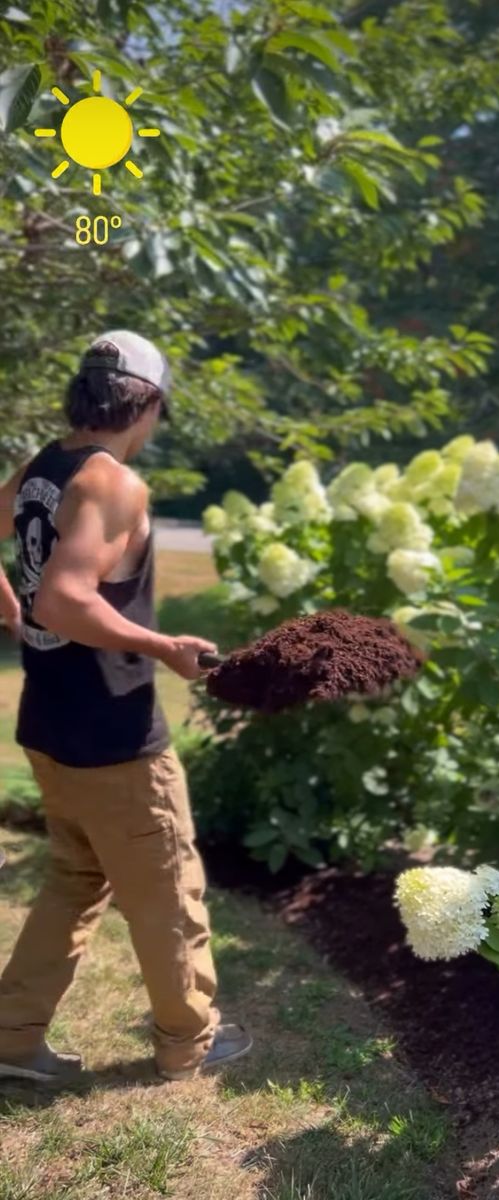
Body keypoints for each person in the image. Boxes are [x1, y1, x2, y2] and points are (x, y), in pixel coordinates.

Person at [0, 330, 252, 1085]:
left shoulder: (48, 463)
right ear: (144, 403)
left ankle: (11, 1038)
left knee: (76, 880)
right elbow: (68, 597)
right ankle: (189, 1043)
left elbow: (41, 596)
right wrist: (163, 645)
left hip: (49, 726)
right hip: (115, 741)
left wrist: (12, 611)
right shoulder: (112, 483)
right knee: (169, 895)